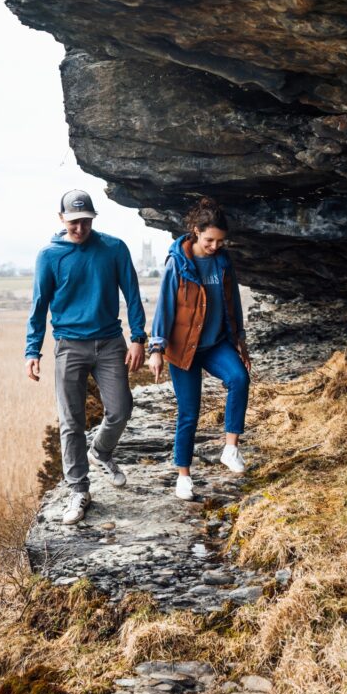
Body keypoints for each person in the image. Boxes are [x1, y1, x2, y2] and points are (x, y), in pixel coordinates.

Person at [25, 189, 146, 525]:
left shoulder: (113, 248)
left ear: (93, 219)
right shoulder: (49, 255)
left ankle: (102, 451)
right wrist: (32, 350)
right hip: (69, 346)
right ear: (61, 219)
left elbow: (133, 295)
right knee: (71, 423)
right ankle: (79, 490)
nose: (80, 227)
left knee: (121, 409)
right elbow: (38, 306)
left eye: (86, 221)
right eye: (74, 221)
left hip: (110, 343)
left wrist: (138, 339)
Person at [148, 197, 251, 500]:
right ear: (195, 231)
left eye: (220, 241)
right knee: (189, 413)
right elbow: (164, 307)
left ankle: (231, 449)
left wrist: (240, 341)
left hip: (216, 344)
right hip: (184, 349)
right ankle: (183, 476)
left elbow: (233, 303)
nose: (215, 246)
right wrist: (156, 348)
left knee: (239, 379)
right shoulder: (177, 264)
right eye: (210, 240)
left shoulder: (222, 260)